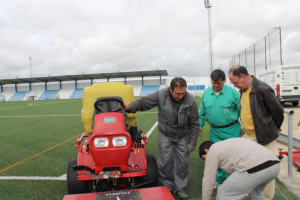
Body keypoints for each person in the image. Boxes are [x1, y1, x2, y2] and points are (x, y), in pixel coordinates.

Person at [123, 77, 200, 200]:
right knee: (165, 162)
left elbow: (195, 123)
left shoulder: (190, 100)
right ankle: (168, 186)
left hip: (183, 135)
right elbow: (144, 102)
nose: (181, 96)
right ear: (170, 89)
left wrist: (192, 142)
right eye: (178, 93)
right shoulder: (161, 95)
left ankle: (180, 188)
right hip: (166, 134)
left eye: (183, 93)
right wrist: (129, 107)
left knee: (183, 163)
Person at [228, 65, 284, 200]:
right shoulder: (244, 89)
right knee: (248, 168)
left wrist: (274, 127)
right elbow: (248, 111)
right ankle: (249, 195)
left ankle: (266, 197)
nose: (235, 86)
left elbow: (278, 111)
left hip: (263, 138)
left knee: (266, 170)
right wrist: (245, 127)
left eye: (235, 82)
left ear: (243, 76)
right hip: (249, 137)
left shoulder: (262, 89)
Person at [199, 138, 280, 200]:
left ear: (206, 151)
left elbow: (208, 180)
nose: (207, 160)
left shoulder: (213, 150)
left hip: (255, 168)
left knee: (224, 194)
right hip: (274, 165)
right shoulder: (227, 145)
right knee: (257, 193)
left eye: (205, 158)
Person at [199, 69, 241, 185]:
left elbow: (241, 110)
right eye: (213, 83)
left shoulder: (233, 93)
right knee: (216, 156)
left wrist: (244, 127)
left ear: (224, 81)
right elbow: (201, 113)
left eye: (219, 83)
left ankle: (234, 181)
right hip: (215, 131)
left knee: (234, 157)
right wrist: (199, 126)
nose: (216, 85)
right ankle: (219, 180)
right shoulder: (206, 93)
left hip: (232, 130)